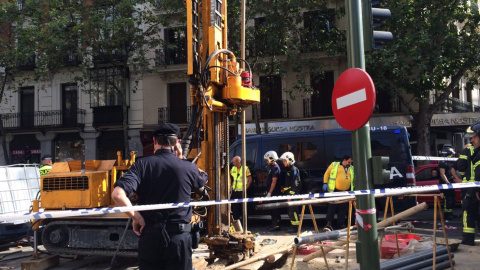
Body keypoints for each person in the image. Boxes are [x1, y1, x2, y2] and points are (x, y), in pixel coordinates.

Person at [111, 123, 208, 270]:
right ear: (177, 143)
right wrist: (182, 159)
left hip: (150, 237)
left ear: (154, 141)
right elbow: (203, 179)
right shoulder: (188, 167)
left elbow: (117, 195)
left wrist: (136, 217)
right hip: (179, 238)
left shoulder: (141, 165)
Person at [454, 122, 480, 246]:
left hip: (472, 187)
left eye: (474, 136)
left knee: (468, 211)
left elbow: (460, 166)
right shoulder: (475, 152)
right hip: (473, 187)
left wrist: (465, 177)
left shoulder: (468, 151)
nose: (472, 139)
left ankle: (468, 239)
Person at [322, 155, 354, 231]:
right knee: (332, 207)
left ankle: (341, 224)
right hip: (335, 191)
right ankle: (329, 224)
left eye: (351, 162)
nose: (350, 164)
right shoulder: (334, 165)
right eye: (349, 162)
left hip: (346, 192)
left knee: (343, 208)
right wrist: (325, 183)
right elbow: (327, 174)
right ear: (344, 160)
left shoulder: (351, 168)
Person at [279, 152, 301, 233]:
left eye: (285, 161)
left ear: (289, 160)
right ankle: (293, 226)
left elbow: (294, 185)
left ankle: (296, 228)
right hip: (289, 193)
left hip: (293, 194)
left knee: (294, 211)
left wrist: (290, 196)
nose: (283, 163)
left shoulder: (293, 169)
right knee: (290, 211)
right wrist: (284, 189)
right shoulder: (289, 169)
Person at [230, 156, 252, 221]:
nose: (233, 163)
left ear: (238, 162)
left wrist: (246, 188)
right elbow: (229, 178)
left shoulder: (245, 168)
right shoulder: (233, 168)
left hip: (242, 192)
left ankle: (245, 223)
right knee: (235, 208)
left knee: (244, 208)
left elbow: (250, 179)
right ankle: (236, 223)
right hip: (234, 192)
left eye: (234, 162)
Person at [264, 150, 281, 231]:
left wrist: (270, 193)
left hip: (274, 192)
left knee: (275, 209)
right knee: (272, 209)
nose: (266, 162)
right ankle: (273, 224)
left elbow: (274, 181)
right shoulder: (272, 168)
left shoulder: (275, 168)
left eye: (267, 160)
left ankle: (276, 225)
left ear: (271, 159)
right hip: (272, 192)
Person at [438, 147, 456, 220]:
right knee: (447, 199)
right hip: (445, 184)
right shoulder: (442, 162)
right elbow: (442, 174)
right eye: (451, 154)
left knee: (452, 199)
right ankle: (447, 215)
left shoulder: (448, 162)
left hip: (450, 182)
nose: (452, 156)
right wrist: (447, 183)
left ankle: (451, 213)